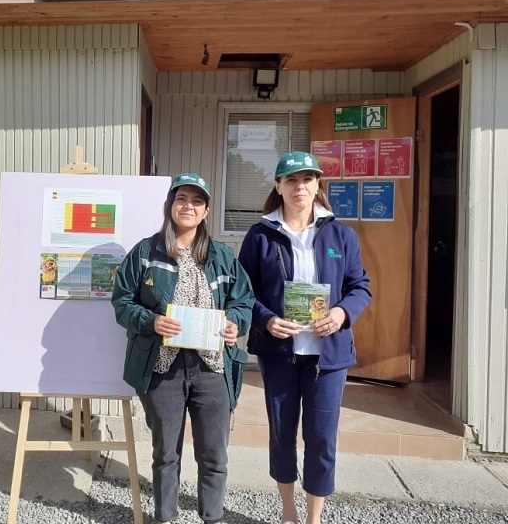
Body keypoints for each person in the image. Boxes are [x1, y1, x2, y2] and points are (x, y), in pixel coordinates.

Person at [238, 151, 372, 524]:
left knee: (322, 438)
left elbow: (360, 286)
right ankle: (288, 512)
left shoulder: (340, 234)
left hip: (327, 356)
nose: (301, 187)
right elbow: (242, 291)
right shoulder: (260, 236)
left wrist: (341, 313)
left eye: (308, 179)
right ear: (278, 187)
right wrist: (265, 320)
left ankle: (314, 517)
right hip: (279, 352)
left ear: (317, 186)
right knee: (282, 435)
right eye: (292, 180)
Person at [112, 173, 254, 524]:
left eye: (196, 201)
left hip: (212, 370)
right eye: (181, 199)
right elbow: (122, 302)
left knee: (213, 455)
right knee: (165, 453)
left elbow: (243, 301)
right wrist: (151, 322)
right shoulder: (145, 252)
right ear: (170, 205)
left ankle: (213, 517)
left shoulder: (221, 256)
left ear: (206, 210)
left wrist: (235, 323)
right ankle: (165, 518)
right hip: (163, 368)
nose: (187, 206)